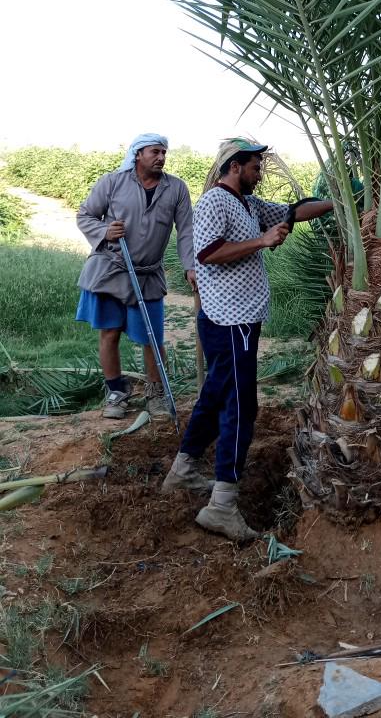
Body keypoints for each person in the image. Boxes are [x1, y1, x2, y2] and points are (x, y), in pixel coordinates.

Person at [161, 138, 333, 542]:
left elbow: (293, 212)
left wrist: (338, 204)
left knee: (217, 395)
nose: (260, 173)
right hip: (228, 320)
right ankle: (222, 503)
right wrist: (261, 241)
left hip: (240, 319)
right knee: (241, 405)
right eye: (256, 166)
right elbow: (207, 253)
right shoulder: (214, 203)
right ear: (236, 166)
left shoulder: (249, 205)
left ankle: (183, 469)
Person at [76, 132, 196, 419]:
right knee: (110, 332)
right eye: (155, 152)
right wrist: (105, 231)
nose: (161, 157)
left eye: (164, 153)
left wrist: (190, 266)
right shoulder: (112, 182)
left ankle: (155, 394)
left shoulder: (176, 189)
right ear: (138, 154)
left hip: (148, 274)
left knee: (152, 338)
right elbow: (85, 215)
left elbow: (187, 231)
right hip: (109, 269)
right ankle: (116, 392)